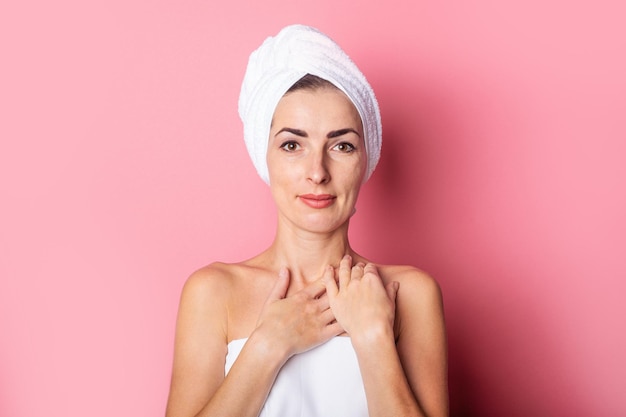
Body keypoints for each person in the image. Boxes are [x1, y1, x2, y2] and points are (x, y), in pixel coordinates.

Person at [165, 24, 448, 417]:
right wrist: (267, 344)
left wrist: (372, 337)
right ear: (266, 157)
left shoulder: (411, 294)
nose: (317, 171)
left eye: (342, 145)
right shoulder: (213, 293)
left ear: (366, 160)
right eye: (293, 145)